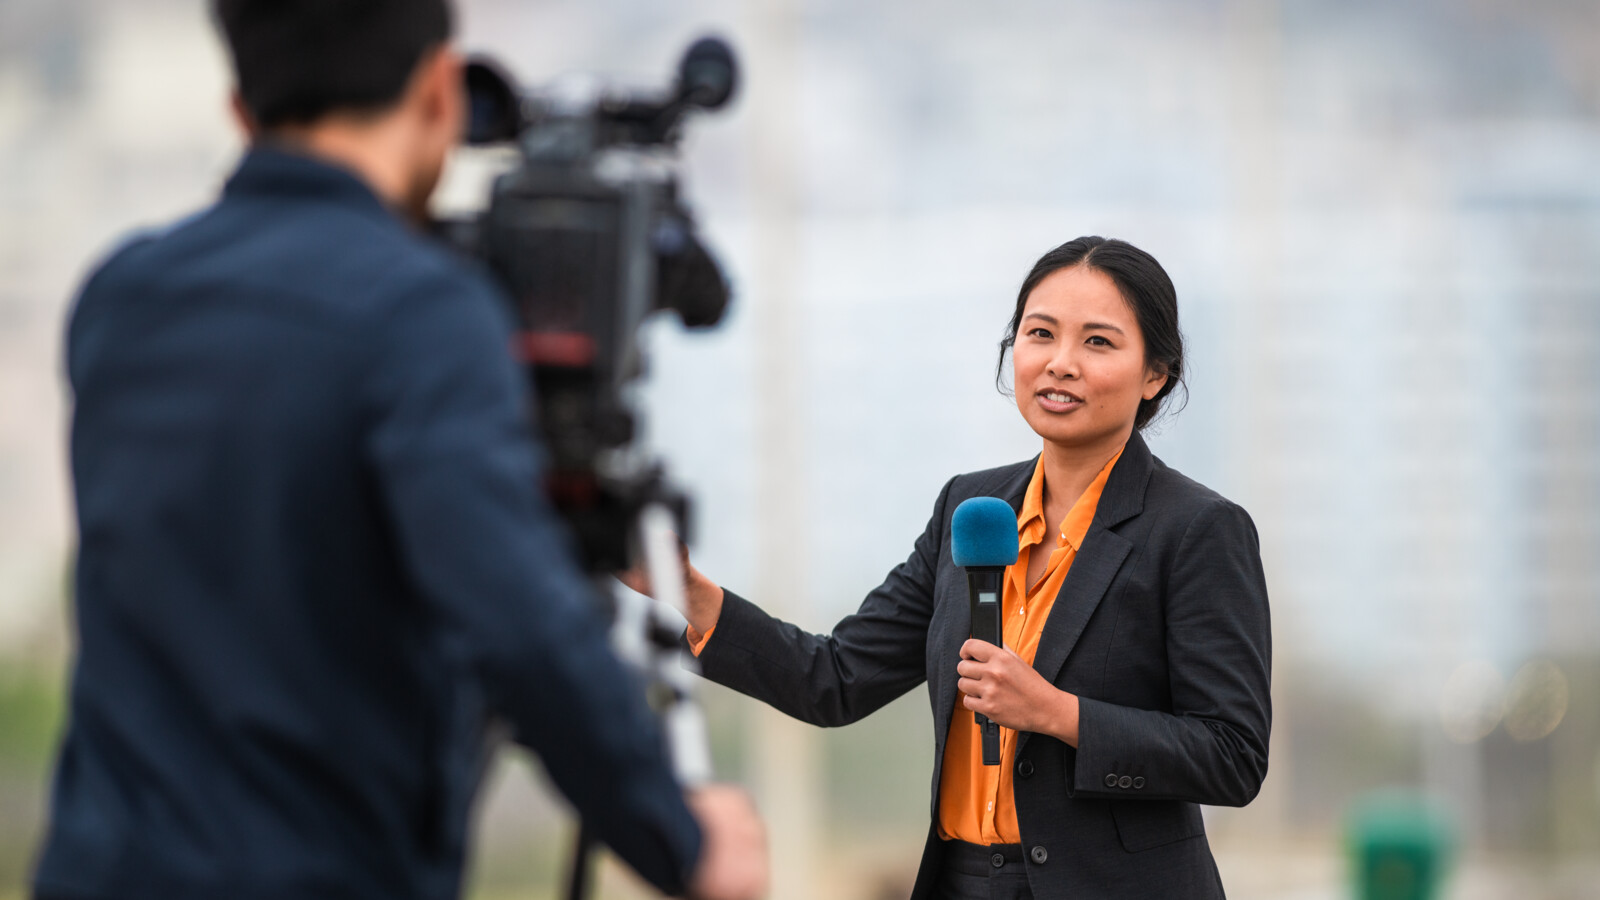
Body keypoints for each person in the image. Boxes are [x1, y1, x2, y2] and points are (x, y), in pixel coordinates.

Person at [32, 2, 766, 899]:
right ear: (436, 95)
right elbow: (522, 625)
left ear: (240, 111)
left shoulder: (122, 297)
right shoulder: (423, 315)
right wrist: (679, 836)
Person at [629, 236, 1272, 899]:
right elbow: (834, 677)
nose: (1060, 363)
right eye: (1039, 334)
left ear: (1155, 374)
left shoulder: (1196, 528)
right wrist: (688, 593)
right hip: (963, 882)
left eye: (1098, 343)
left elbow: (1233, 755)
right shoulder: (970, 509)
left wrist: (1057, 713)